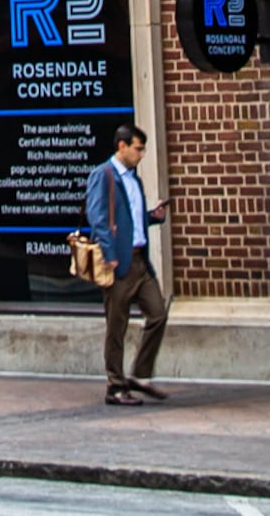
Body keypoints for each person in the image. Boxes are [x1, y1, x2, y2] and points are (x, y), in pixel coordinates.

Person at [81, 121, 169, 404]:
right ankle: (115, 386)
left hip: (141, 261)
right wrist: (110, 256)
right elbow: (97, 218)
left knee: (157, 313)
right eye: (138, 149)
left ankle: (139, 375)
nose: (141, 154)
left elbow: (130, 219)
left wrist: (152, 217)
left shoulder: (134, 179)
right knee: (116, 326)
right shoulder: (104, 175)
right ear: (122, 146)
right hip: (118, 263)